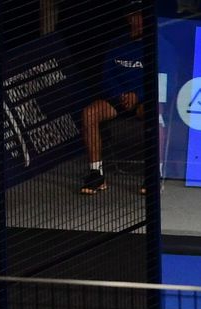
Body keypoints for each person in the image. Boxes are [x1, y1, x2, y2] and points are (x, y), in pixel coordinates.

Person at [80, 8, 146, 195]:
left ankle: (153, 171)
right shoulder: (116, 43)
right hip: (119, 100)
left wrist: (138, 96)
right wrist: (121, 96)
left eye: (142, 15)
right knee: (89, 113)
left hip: (143, 100)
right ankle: (96, 173)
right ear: (128, 18)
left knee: (155, 112)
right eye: (134, 15)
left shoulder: (159, 43)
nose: (138, 20)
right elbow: (106, 77)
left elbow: (162, 78)